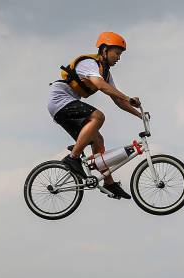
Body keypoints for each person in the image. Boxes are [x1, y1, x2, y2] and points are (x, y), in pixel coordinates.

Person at [47, 31, 142, 200]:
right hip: (60, 100)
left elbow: (118, 100)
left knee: (98, 141)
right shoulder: (89, 64)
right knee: (98, 116)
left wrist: (140, 115)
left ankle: (109, 182)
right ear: (104, 50)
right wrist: (128, 97)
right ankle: (73, 158)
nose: (119, 58)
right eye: (117, 53)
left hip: (67, 104)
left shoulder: (105, 73)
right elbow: (101, 86)